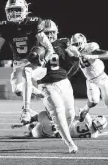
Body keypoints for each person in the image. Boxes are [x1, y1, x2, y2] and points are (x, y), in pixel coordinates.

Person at [0, 0, 54, 124]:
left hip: (35, 62)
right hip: (18, 63)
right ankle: (36, 92)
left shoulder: (33, 23)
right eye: (10, 10)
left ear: (25, 9)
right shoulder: (4, 27)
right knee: (17, 89)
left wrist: (43, 61)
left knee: (27, 72)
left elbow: (50, 48)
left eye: (17, 9)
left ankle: (26, 111)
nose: (14, 13)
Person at [27, 19, 80, 153]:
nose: (50, 36)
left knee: (70, 114)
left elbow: (74, 62)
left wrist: (75, 55)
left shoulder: (63, 43)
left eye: (52, 32)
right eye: (46, 33)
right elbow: (28, 71)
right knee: (58, 112)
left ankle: (56, 130)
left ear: (57, 31)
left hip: (63, 82)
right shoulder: (34, 47)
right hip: (46, 85)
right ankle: (70, 143)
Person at [70, 33, 108, 122]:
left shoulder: (90, 47)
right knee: (94, 101)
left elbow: (106, 54)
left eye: (77, 44)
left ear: (83, 42)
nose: (75, 46)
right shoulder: (73, 53)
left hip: (102, 77)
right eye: (74, 44)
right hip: (91, 80)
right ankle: (84, 109)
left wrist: (93, 56)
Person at [12, 109, 107, 139]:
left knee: (45, 116)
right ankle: (29, 128)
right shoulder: (94, 135)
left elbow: (82, 111)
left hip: (60, 127)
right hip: (59, 134)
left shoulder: (89, 120)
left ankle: (28, 121)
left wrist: (80, 115)